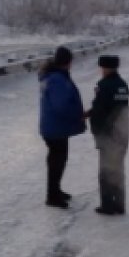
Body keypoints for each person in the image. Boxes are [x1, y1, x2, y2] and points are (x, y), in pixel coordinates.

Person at [38, 46, 86, 209]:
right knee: (57, 161)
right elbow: (61, 106)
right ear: (68, 62)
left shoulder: (52, 76)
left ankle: (55, 191)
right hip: (55, 128)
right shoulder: (57, 79)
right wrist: (77, 115)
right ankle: (52, 196)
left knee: (57, 160)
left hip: (53, 127)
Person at [86, 54, 129, 215]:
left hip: (108, 135)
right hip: (123, 133)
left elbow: (100, 110)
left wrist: (94, 127)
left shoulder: (104, 85)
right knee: (118, 169)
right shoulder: (123, 85)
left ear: (105, 68)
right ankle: (119, 204)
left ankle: (107, 205)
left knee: (106, 171)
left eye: (102, 67)